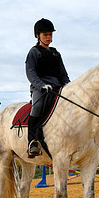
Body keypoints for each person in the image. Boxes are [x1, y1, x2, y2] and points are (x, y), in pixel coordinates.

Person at [25, 18, 70, 157]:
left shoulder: (56, 53)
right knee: (37, 107)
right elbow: (30, 72)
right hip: (40, 88)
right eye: (46, 35)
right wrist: (41, 85)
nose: (49, 37)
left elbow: (63, 73)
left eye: (50, 34)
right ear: (38, 35)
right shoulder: (34, 52)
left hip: (57, 87)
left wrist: (69, 86)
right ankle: (32, 141)